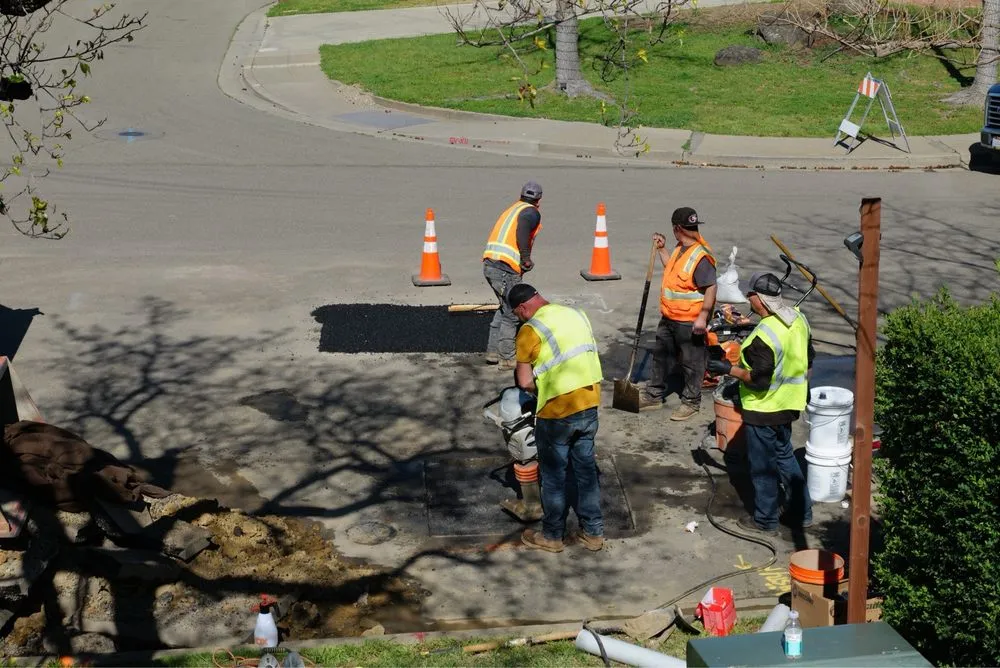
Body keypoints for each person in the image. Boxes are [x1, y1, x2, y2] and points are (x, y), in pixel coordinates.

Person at [707, 272, 815, 534]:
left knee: (762, 466)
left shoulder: (764, 335)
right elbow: (809, 359)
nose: (747, 298)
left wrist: (728, 369)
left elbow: (757, 381)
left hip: (764, 409)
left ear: (760, 299)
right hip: (790, 404)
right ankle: (802, 512)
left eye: (750, 294)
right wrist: (802, 388)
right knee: (785, 456)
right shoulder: (799, 319)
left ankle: (765, 520)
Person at [507, 283, 605, 553]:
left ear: (522, 308)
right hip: (589, 402)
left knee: (553, 477)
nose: (520, 319)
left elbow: (525, 381)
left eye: (517, 315)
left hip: (557, 411)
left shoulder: (530, 330)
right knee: (586, 472)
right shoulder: (576, 314)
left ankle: (552, 536)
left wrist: (538, 391)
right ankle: (593, 533)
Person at [639, 207, 717, 421]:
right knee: (661, 356)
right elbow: (673, 269)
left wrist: (703, 317)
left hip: (689, 321)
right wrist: (662, 249)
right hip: (670, 316)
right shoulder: (681, 247)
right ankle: (654, 395)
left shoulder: (700, 256)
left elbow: (711, 287)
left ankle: (691, 402)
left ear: (677, 228)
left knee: (692, 362)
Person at [482, 182, 543, 370]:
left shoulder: (513, 208)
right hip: (506, 268)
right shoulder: (530, 212)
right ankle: (507, 359)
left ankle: (493, 352)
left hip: (490, 264)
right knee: (512, 313)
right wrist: (525, 258)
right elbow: (522, 229)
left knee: (505, 307)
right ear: (538, 200)